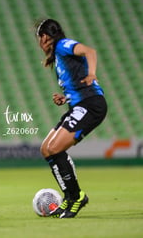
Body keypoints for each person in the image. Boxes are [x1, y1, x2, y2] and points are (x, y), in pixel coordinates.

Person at [35, 19, 107, 218]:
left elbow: (89, 52)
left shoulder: (63, 45)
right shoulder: (59, 55)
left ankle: (76, 197)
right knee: (46, 149)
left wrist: (92, 73)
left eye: (39, 38)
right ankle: (70, 196)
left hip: (91, 105)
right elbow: (76, 84)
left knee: (55, 148)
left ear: (44, 37)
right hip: (78, 104)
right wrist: (65, 98)